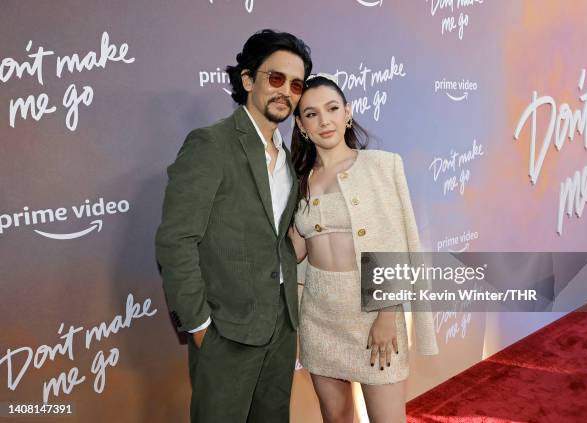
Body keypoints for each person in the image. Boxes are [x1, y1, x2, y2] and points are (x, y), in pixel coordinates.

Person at [155, 29, 312, 423]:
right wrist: (200, 325)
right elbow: (176, 241)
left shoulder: (288, 159)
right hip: (227, 329)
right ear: (247, 80)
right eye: (275, 78)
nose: (286, 92)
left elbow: (271, 238)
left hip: (281, 326)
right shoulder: (211, 144)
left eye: (296, 84)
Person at [289, 74, 439, 423]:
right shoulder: (298, 179)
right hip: (319, 314)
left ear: (348, 113)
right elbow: (294, 252)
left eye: (332, 109)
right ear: (300, 124)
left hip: (373, 311)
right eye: (311, 114)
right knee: (336, 416)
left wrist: (388, 314)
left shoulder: (381, 165)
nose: (324, 120)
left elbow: (397, 239)